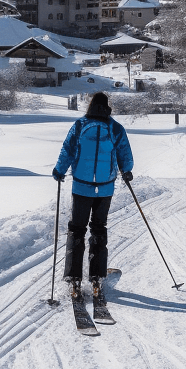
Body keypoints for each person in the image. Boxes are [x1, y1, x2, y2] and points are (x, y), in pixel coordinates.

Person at [52, 92, 134, 304]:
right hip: (105, 188)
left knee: (77, 229)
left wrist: (59, 170)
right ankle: (96, 278)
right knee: (99, 228)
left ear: (90, 106)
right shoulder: (115, 128)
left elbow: (68, 150)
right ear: (107, 107)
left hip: (81, 186)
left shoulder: (80, 125)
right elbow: (125, 153)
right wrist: (126, 171)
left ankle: (74, 278)